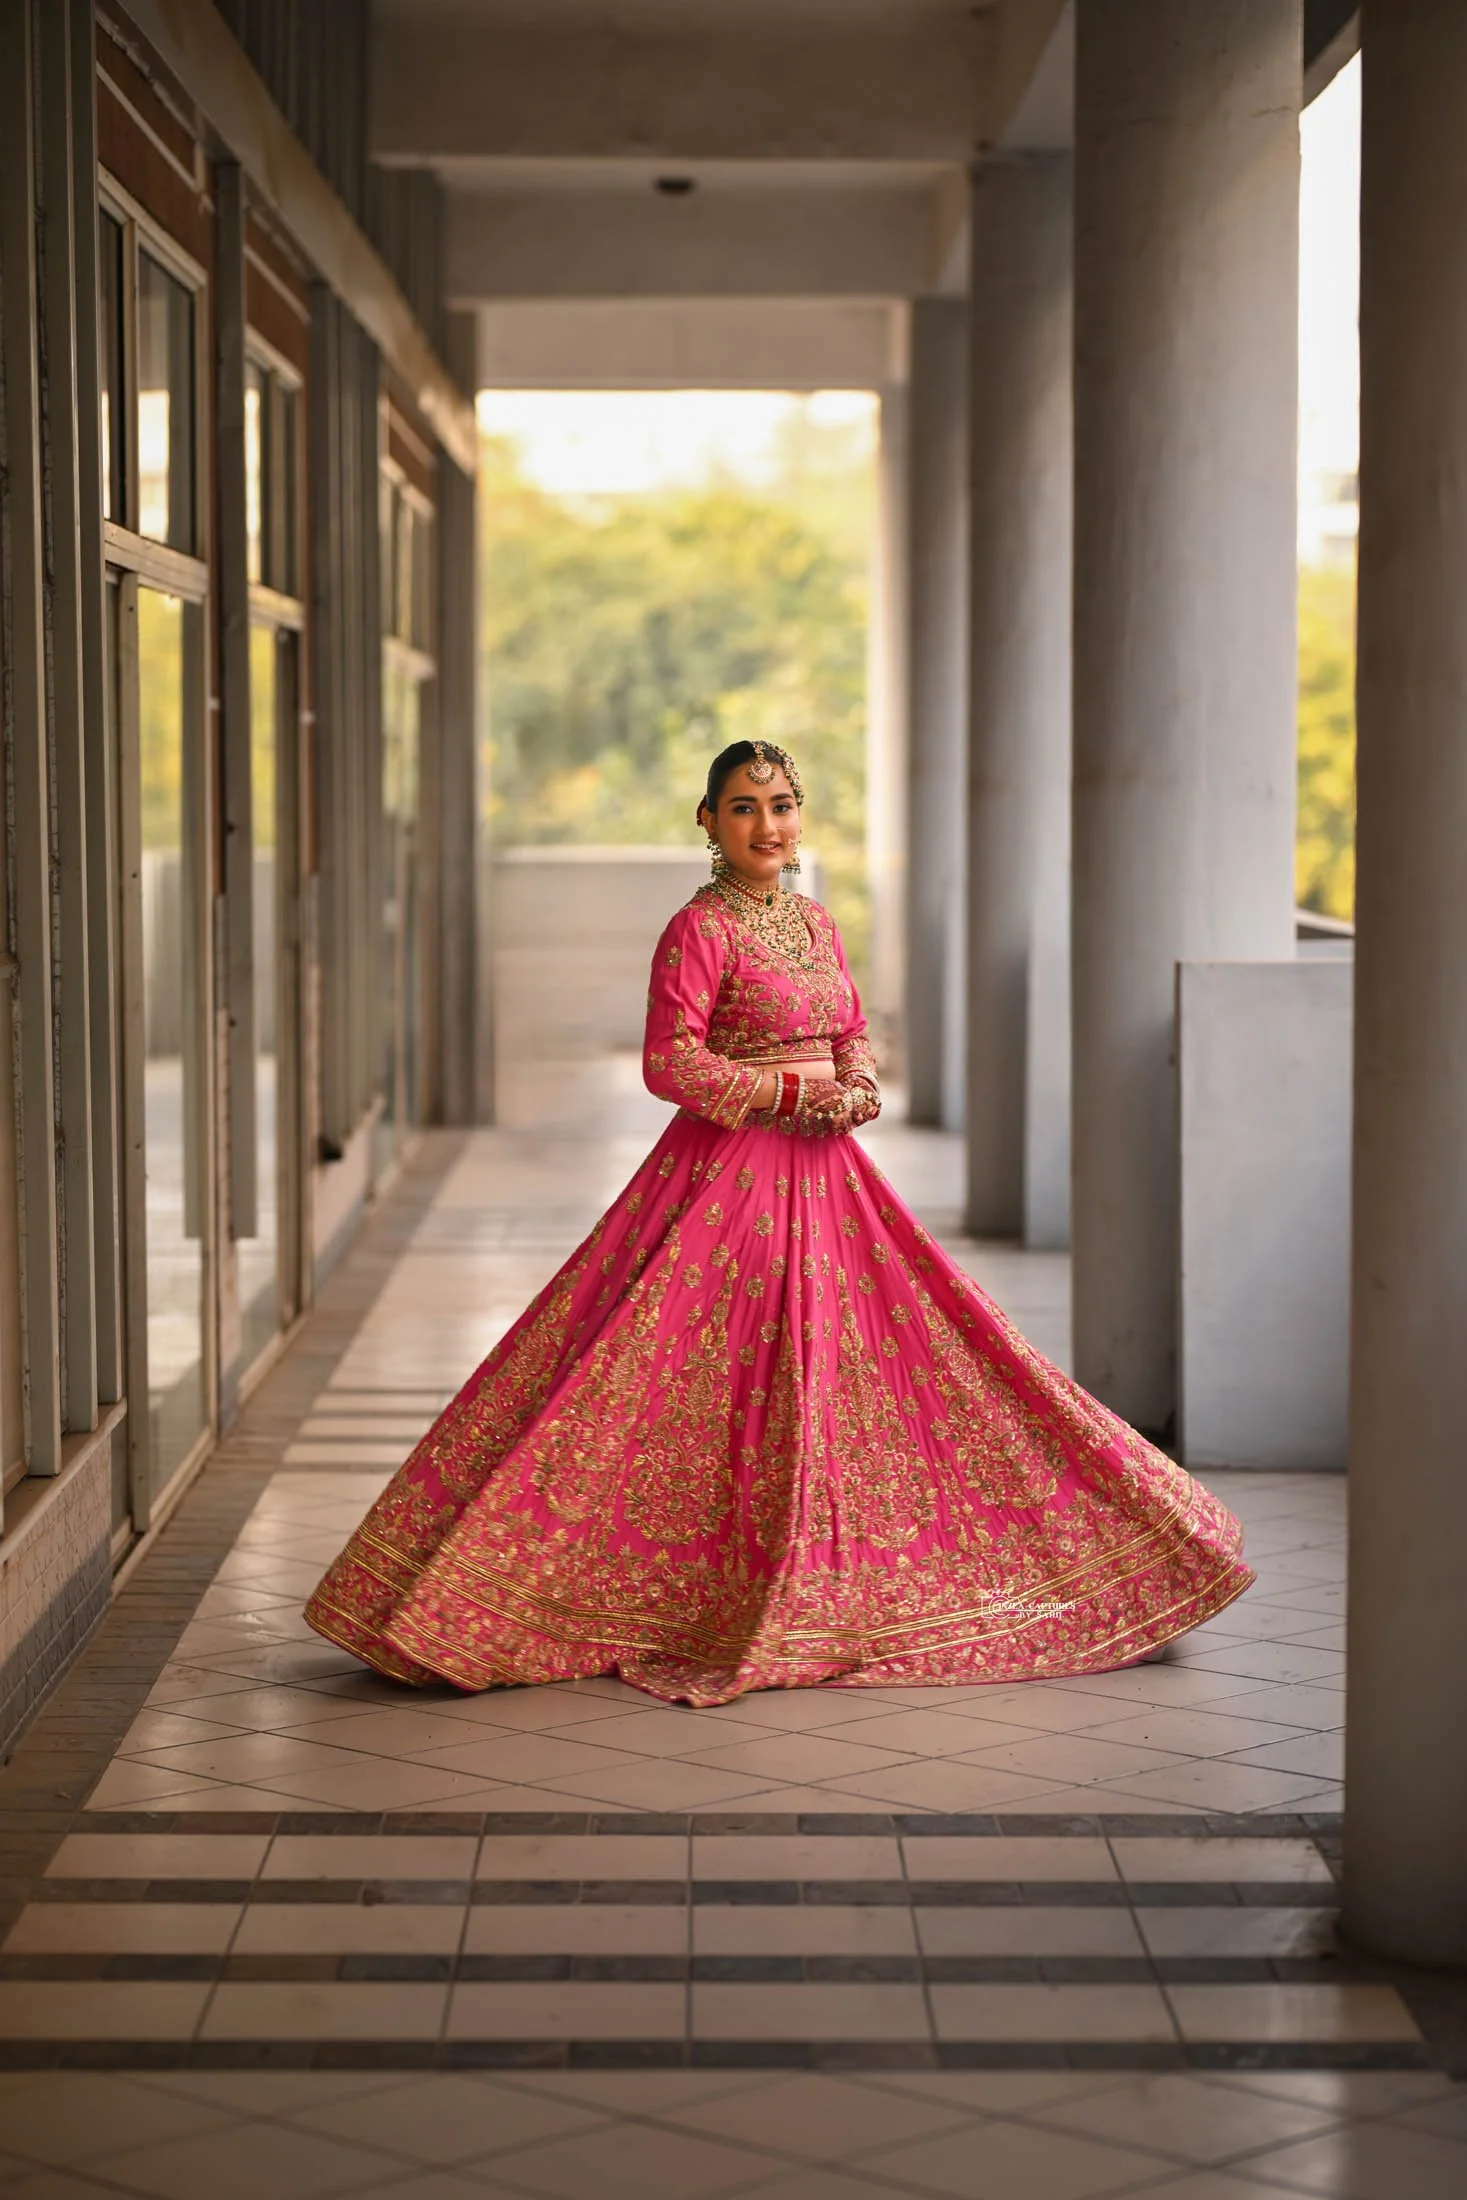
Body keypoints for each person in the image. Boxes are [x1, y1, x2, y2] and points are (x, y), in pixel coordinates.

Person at [306, 740, 1252, 1705]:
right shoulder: (697, 930)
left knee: (922, 1358)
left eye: (785, 803)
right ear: (708, 821)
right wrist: (779, 1096)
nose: (770, 824)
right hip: (728, 1178)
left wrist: (857, 1087)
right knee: (687, 1375)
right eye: (747, 806)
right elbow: (669, 1064)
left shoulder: (814, 921)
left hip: (829, 1174)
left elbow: (848, 1030)